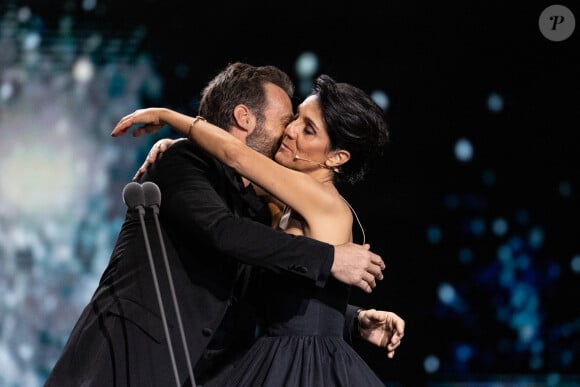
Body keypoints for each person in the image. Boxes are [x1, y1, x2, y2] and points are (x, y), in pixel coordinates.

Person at [45, 62, 401, 387]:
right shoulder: (198, 170)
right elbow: (230, 236)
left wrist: (171, 117)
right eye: (290, 119)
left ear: (337, 157)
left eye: (304, 127)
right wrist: (334, 274)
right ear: (245, 118)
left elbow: (236, 168)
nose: (289, 131)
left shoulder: (308, 202)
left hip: (283, 368)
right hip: (131, 358)